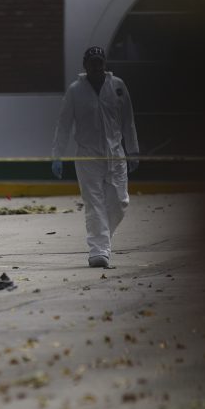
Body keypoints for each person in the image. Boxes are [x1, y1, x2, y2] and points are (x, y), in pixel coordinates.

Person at [51, 46, 139, 268]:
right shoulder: (75, 90)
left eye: (100, 62)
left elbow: (128, 120)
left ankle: (103, 241)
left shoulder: (117, 86)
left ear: (105, 63)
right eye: (92, 63)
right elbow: (64, 124)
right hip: (87, 156)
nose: (97, 66)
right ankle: (98, 250)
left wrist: (133, 150)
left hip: (116, 154)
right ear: (85, 65)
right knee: (94, 203)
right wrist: (57, 155)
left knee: (120, 201)